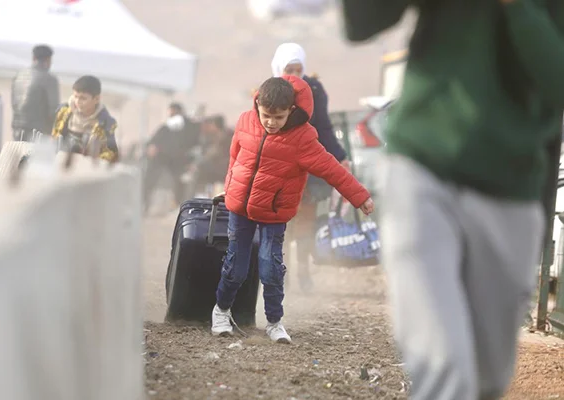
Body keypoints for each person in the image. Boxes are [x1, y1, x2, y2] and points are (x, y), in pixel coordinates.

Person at [342, 1, 561, 399]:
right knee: (444, 370)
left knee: (487, 379)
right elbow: (363, 22)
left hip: (511, 192)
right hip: (421, 173)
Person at [211, 76, 374, 343]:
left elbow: (332, 169)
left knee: (270, 268)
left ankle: (274, 323)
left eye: (278, 117)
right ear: (257, 106)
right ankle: (221, 311)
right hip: (239, 207)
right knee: (235, 266)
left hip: (274, 213)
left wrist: (360, 197)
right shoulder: (244, 122)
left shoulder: (303, 139)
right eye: (266, 116)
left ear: (291, 111)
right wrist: (229, 187)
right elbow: (235, 158)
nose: (271, 123)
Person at [271, 42, 350, 293]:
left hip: (309, 166)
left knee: (305, 221)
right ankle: (280, 273)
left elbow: (324, 127)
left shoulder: (314, 89)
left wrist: (340, 156)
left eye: (298, 68)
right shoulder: (271, 90)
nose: (294, 75)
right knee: (282, 223)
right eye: (288, 69)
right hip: (280, 166)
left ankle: (304, 274)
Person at [143, 103, 201, 213]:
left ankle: (178, 206)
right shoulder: (167, 126)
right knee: (149, 180)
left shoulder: (190, 126)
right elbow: (156, 138)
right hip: (162, 157)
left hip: (180, 159)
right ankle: (145, 204)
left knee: (180, 182)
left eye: (174, 113)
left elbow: (195, 142)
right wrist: (152, 146)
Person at [51, 76, 119, 162]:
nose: (78, 101)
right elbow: (52, 137)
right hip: (60, 162)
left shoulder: (106, 124)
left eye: (83, 98)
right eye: (75, 96)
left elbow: (111, 155)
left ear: (96, 99)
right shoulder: (63, 112)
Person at [11, 44, 60, 141]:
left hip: (17, 129)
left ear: (33, 58)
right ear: (49, 60)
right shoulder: (49, 79)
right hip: (38, 132)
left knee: (20, 154)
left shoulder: (19, 76)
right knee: (36, 156)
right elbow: (53, 109)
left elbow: (14, 103)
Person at [183, 115, 232, 197]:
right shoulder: (218, 135)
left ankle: (191, 198)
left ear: (215, 125)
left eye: (212, 124)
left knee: (198, 172)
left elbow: (213, 153)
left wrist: (197, 165)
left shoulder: (224, 137)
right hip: (219, 166)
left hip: (222, 168)